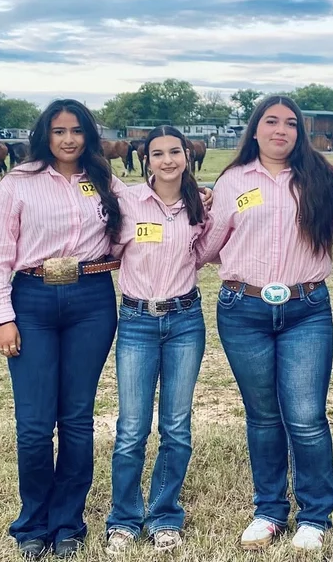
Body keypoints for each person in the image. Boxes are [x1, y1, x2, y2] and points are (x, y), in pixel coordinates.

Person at [0, 99, 125, 560]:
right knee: (36, 424)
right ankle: (32, 522)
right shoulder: (17, 184)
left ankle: (68, 522)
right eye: (59, 131)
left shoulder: (105, 182)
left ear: (89, 136)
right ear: (44, 134)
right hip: (33, 300)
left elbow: (139, 223)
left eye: (77, 131)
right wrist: (4, 316)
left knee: (78, 419)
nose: (68, 139)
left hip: (92, 300)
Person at [198, 95, 333, 552]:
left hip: (306, 310)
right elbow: (206, 244)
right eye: (271, 122)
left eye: (290, 124)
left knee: (305, 417)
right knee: (262, 417)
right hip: (244, 310)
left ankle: (315, 513)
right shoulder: (233, 181)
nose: (281, 130)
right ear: (255, 129)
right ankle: (269, 511)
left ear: (300, 133)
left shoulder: (321, 178)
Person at [104, 126, 212, 555]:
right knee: (131, 428)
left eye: (175, 152)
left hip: (186, 320)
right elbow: (111, 249)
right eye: (158, 153)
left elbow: (204, 249)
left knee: (176, 427)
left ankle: (165, 515)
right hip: (136, 321)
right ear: (146, 159)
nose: (168, 160)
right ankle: (125, 519)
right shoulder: (128, 201)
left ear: (187, 154)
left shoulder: (201, 203)